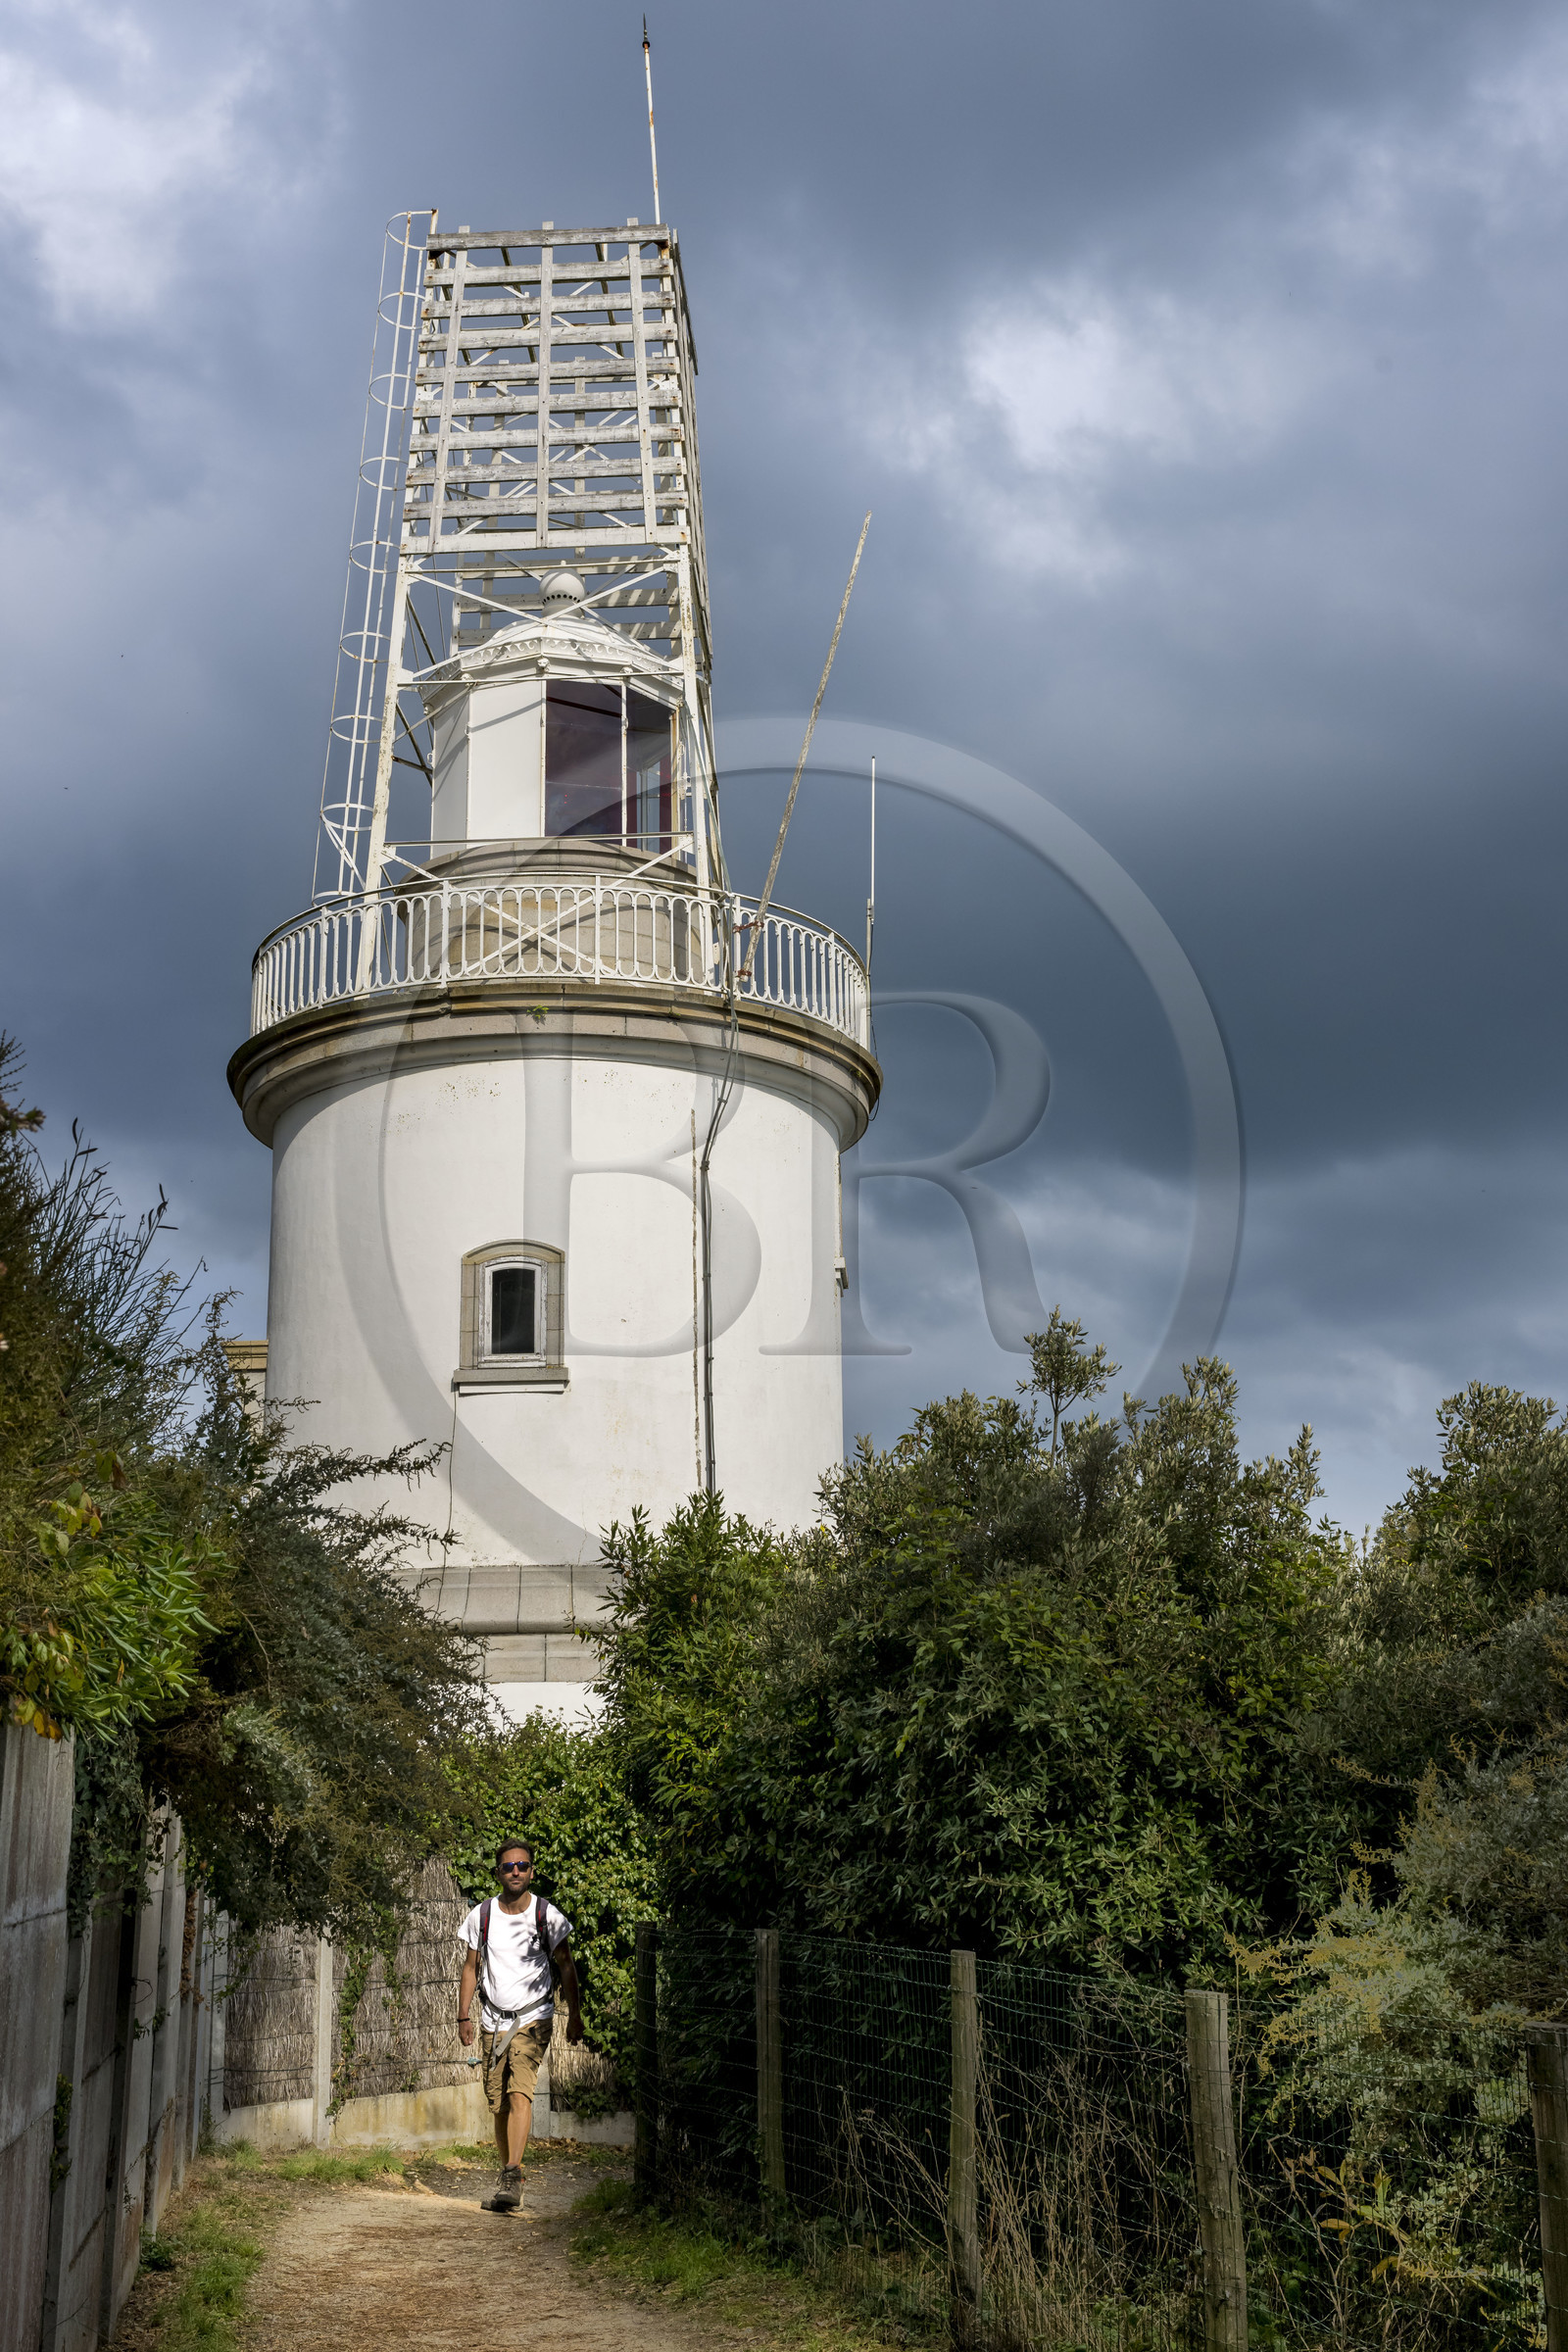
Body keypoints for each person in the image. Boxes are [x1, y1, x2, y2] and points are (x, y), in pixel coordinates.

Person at [457, 1838, 583, 2209]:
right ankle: (508, 2182)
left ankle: (513, 2173)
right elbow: (469, 1968)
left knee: (519, 2092)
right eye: (509, 1866)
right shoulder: (482, 1915)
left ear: (531, 1871)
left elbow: (566, 1966)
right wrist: (464, 2015)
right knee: (498, 2104)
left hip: (534, 2017)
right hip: (491, 2018)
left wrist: (574, 2014)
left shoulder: (546, 1915)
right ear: (498, 1872)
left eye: (522, 1866)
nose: (516, 1872)